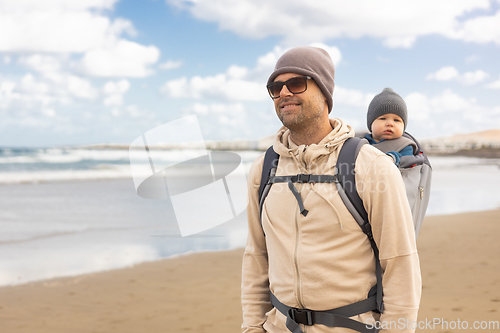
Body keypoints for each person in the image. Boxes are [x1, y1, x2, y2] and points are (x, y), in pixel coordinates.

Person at [241, 46, 421, 333]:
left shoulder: (371, 166)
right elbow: (256, 257)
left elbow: (400, 263)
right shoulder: (263, 169)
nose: (284, 93)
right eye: (276, 87)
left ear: (324, 92)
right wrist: (252, 327)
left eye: (296, 83)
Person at [364, 88, 415, 166]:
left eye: (396, 120)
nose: (390, 124)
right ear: (371, 124)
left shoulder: (405, 146)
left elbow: (406, 162)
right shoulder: (361, 144)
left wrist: (393, 157)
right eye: (383, 118)